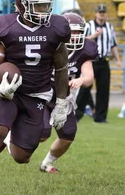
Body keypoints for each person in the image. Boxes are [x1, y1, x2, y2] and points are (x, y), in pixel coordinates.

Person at [0, 0, 71, 195]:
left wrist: (61, 103)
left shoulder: (56, 28)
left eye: (46, 6)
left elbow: (61, 67)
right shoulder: (4, 26)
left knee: (21, 157)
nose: (43, 11)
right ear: (21, 5)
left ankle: (10, 136)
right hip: (9, 91)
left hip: (37, 94)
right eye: (38, 6)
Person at [38, 12, 96, 172]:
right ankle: (11, 136)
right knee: (42, 134)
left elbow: (89, 77)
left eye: (79, 32)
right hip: (43, 94)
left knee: (68, 135)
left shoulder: (85, 48)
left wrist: (81, 80)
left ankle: (47, 163)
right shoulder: (48, 45)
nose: (75, 36)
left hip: (63, 97)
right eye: (72, 31)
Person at [75, 4, 121, 123]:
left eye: (103, 12)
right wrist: (94, 35)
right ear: (96, 13)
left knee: (103, 90)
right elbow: (81, 40)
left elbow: (113, 44)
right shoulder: (89, 26)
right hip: (90, 61)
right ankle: (76, 115)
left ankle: (100, 117)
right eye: (100, 12)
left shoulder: (109, 27)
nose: (102, 14)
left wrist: (118, 59)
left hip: (104, 61)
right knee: (85, 89)